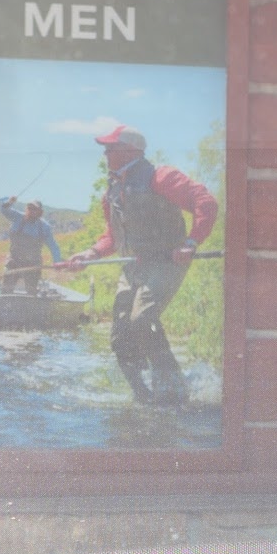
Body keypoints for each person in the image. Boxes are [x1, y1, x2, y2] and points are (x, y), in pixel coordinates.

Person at [63, 124, 217, 406]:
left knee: (142, 318)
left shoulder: (162, 176)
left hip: (166, 263)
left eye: (110, 148)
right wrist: (90, 253)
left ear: (130, 151)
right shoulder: (111, 191)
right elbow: (112, 237)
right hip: (133, 267)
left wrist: (191, 242)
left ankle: (174, 390)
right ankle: (143, 396)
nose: (105, 153)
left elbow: (205, 202)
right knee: (119, 336)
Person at [0, 197, 62, 295]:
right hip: (14, 260)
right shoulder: (17, 217)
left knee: (31, 292)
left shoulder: (45, 227)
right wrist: (10, 202)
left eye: (34, 209)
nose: (31, 211)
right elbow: (4, 210)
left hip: (33, 263)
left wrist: (57, 262)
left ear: (40, 212)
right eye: (29, 208)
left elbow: (53, 246)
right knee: (6, 290)